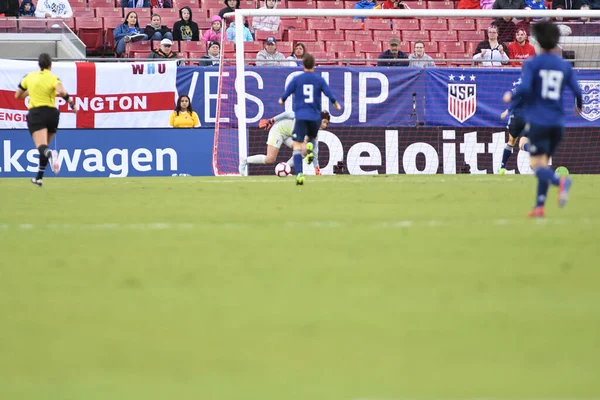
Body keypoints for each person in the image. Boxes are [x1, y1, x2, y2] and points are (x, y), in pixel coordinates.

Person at [504, 21, 582, 218]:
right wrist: (578, 107)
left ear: (538, 42)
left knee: (536, 166)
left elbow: (524, 87)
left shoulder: (532, 63)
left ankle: (561, 182)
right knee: (542, 162)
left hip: (539, 120)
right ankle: (540, 206)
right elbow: (578, 92)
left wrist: (510, 97)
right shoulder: (564, 66)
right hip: (558, 123)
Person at [277, 53, 342, 185]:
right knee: (312, 138)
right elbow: (329, 93)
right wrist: (335, 104)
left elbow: (286, 93)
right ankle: (311, 147)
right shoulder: (319, 80)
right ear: (313, 64)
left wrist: (282, 99)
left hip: (301, 116)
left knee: (297, 146)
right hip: (315, 116)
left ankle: (299, 174)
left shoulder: (297, 79)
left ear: (303, 65)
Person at [14, 53, 77, 187]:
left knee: (41, 147)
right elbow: (62, 92)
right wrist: (71, 103)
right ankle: (39, 178)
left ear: (39, 64)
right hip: (53, 114)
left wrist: (31, 90)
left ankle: (50, 154)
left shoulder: (29, 77)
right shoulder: (53, 78)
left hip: (37, 113)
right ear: (50, 65)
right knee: (44, 146)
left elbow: (17, 95)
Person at [239, 110, 331, 176]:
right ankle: (245, 160)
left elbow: (314, 152)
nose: (324, 125)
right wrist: (272, 120)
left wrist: (317, 169)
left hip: (288, 136)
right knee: (270, 159)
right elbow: (288, 113)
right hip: (279, 130)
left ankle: (285, 168)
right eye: (324, 122)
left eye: (327, 124)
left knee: (306, 149)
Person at [498, 77, 530, 174]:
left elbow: (516, 99)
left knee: (511, 142)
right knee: (522, 144)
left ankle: (502, 167)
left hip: (516, 118)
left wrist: (507, 111)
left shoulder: (519, 86)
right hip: (529, 119)